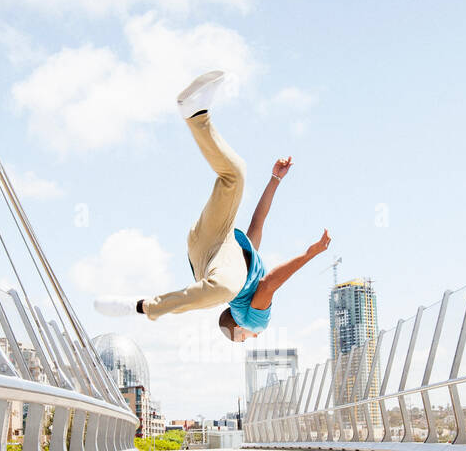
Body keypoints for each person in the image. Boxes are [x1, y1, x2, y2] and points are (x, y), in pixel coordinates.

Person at [94, 71, 332, 342]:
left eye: (243, 338)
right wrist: (275, 179)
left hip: (211, 262)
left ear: (239, 327)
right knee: (235, 176)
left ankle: (145, 306)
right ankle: (196, 114)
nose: (253, 338)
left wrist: (310, 254)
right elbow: (258, 222)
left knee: (225, 288)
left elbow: (270, 285)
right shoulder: (248, 263)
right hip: (218, 240)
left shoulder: (252, 320)